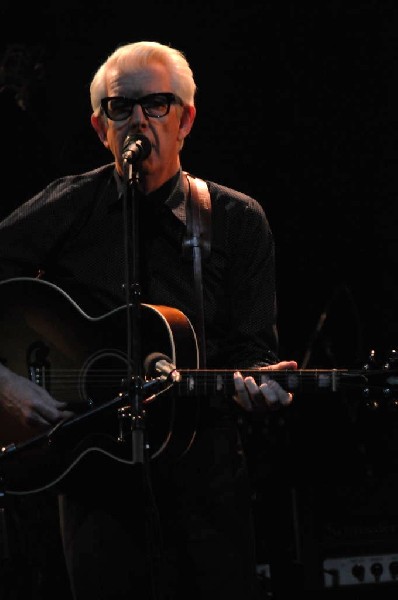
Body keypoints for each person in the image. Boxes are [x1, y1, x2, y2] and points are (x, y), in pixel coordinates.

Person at [0, 40, 297, 600]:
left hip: (206, 485)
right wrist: (4, 383)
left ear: (186, 120)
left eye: (157, 104)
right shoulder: (69, 206)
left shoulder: (235, 219)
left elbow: (254, 348)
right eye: (122, 107)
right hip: (94, 488)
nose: (139, 119)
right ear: (99, 127)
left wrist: (258, 385)